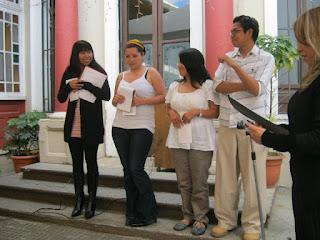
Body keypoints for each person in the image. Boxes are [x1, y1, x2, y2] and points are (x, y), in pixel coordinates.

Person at [247, 7, 320, 240]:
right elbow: (304, 129)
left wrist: (269, 138)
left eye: (304, 41)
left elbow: (315, 139)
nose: (299, 49)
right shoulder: (313, 77)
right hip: (306, 180)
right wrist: (270, 129)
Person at [210, 16, 275, 240]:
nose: (231, 35)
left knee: (253, 177)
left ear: (249, 32)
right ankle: (225, 221)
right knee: (225, 176)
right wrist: (244, 84)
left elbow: (257, 89)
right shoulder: (226, 58)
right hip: (227, 122)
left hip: (253, 126)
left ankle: (253, 226)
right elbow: (217, 86)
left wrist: (236, 68)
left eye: (236, 31)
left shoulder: (266, 58)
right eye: (231, 31)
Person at [165, 48, 219, 235]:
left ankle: (201, 218)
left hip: (201, 139)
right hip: (178, 137)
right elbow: (168, 106)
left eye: (182, 62)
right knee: (183, 181)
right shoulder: (173, 86)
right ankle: (187, 215)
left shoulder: (207, 86)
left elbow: (215, 112)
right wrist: (171, 113)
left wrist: (196, 111)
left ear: (191, 64)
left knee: (199, 182)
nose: (179, 65)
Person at [111, 39, 165, 227]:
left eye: (135, 56)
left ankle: (148, 212)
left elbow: (163, 96)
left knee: (136, 169)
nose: (131, 59)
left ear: (143, 55)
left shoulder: (151, 73)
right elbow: (113, 101)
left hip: (142, 126)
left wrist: (142, 101)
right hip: (120, 126)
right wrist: (116, 99)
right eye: (127, 56)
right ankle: (131, 212)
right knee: (127, 171)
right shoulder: (121, 75)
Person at [57, 40, 110, 219]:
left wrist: (88, 86)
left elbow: (107, 96)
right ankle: (79, 200)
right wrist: (68, 86)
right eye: (82, 52)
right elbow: (61, 97)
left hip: (91, 127)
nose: (87, 55)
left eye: (89, 52)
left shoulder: (99, 71)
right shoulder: (69, 72)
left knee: (92, 164)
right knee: (77, 166)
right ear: (76, 54)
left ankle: (92, 202)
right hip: (73, 126)